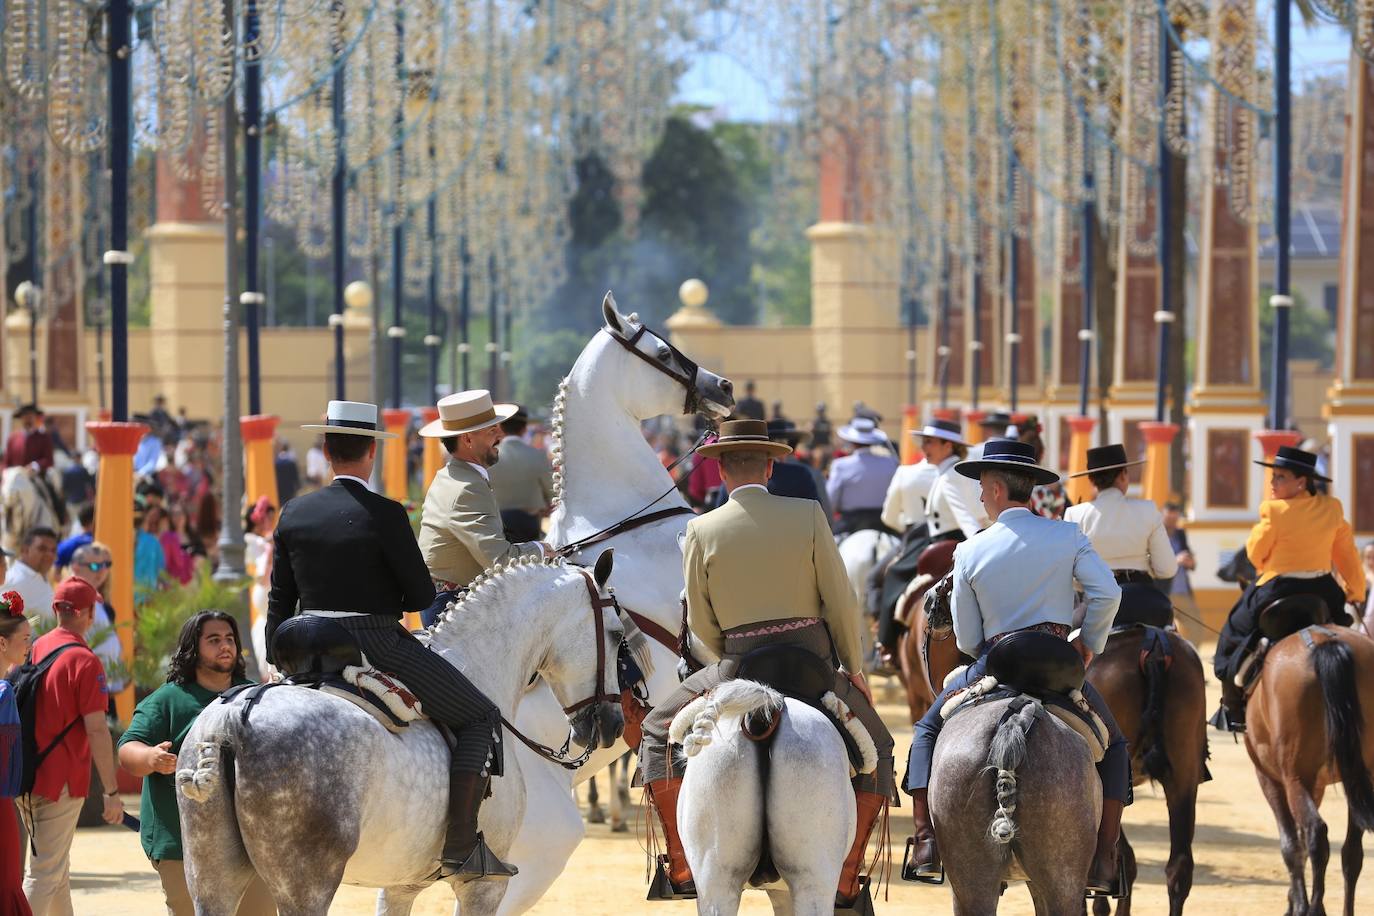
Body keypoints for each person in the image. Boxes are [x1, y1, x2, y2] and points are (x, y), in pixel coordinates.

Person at [637, 420, 893, 905]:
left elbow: (701, 622)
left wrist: (727, 656)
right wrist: (854, 669)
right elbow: (841, 602)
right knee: (878, 747)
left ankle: (682, 862)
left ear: (720, 472)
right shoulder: (808, 515)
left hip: (739, 664)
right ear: (771, 468)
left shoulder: (700, 529)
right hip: (811, 664)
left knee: (655, 732)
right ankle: (846, 873)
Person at [269, 399, 516, 880]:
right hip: (373, 640)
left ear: (326, 450)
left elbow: (280, 598)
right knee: (480, 716)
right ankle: (460, 845)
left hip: (302, 643)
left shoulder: (294, 511)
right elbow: (420, 594)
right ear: (371, 453)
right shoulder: (385, 513)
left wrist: (277, 660)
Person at [903, 439, 1129, 895]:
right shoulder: (1067, 536)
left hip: (997, 664)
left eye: (982, 488)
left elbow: (966, 640)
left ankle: (925, 841)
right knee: (1116, 744)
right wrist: (1088, 643)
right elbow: (1107, 593)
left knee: (926, 730)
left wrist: (990, 645)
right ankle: (1105, 857)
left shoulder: (970, 550)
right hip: (1059, 666)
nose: (980, 496)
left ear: (997, 489)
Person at [118, 611, 274, 915]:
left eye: (229, 639)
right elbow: (127, 749)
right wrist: (150, 758)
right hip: (183, 843)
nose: (225, 646)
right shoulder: (168, 700)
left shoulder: (254, 696)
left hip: (248, 842)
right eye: (213, 640)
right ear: (192, 648)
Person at [1211, 446, 1365, 732]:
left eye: (1280, 477)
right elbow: (1347, 555)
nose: (1273, 483)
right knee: (1343, 630)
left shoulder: (1274, 510)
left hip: (1277, 589)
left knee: (1231, 634)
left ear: (1301, 482)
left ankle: (1232, 707)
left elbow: (1256, 554)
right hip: (1323, 590)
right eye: (1273, 476)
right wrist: (1355, 591)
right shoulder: (1332, 508)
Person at [21, 577, 125, 915]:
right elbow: (97, 729)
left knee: (56, 870)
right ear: (88, 613)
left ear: (56, 609)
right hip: (61, 780)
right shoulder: (84, 660)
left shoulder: (35, 647)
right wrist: (111, 791)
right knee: (44, 873)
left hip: (27, 773)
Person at [417, 392, 549, 627]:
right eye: (492, 430)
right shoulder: (467, 487)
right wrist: (543, 549)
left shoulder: (454, 475)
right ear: (468, 439)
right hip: (454, 606)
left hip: (452, 602)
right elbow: (500, 559)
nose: (500, 435)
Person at [872, 419, 968, 669]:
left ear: (948, 445)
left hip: (944, 541)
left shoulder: (948, 477)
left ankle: (885, 644)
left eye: (929, 442)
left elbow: (967, 521)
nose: (923, 448)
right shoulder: (952, 471)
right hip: (947, 538)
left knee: (894, 574)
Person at [1065, 444, 1178, 625]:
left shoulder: (1075, 514)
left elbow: (1072, 578)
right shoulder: (1148, 510)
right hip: (1145, 601)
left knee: (1069, 638)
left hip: (1097, 604)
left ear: (1092, 481)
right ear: (1123, 475)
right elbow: (1167, 569)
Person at [0, 592, 34, 916]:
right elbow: (7, 769)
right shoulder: (4, 692)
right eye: (24, 639)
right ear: (2, 643)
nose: (29, 646)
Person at [487, 406, 554, 544]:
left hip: (496, 524)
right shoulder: (537, 455)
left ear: (500, 429)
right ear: (524, 429)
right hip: (529, 522)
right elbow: (551, 490)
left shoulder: (488, 457)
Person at [826, 416, 899, 536]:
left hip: (850, 524)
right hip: (883, 523)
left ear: (852, 442)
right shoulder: (890, 462)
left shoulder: (841, 465)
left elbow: (831, 500)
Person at [71, 542, 126, 699]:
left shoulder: (99, 601)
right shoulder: (69, 599)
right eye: (95, 566)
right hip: (85, 690)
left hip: (104, 690)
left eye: (104, 565)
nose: (102, 571)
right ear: (76, 567)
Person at [5, 528, 57, 619]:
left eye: (53, 550)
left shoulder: (40, 574)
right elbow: (5, 624)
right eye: (42, 549)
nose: (49, 555)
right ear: (25, 550)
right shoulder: (15, 582)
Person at [135, 507, 167, 601]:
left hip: (126, 594)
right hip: (147, 594)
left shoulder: (123, 541)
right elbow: (161, 569)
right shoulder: (153, 541)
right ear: (145, 523)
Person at [275, 440, 301, 505]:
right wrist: (298, 485)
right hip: (290, 487)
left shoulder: (276, 462)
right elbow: (295, 476)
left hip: (279, 487)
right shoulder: (291, 462)